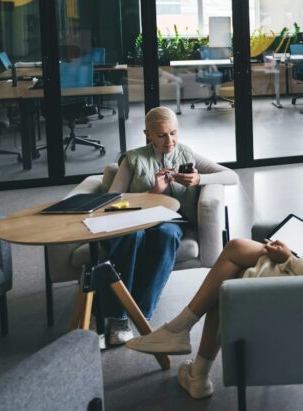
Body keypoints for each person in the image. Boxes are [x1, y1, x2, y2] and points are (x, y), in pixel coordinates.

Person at [125, 143, 303, 399]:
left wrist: (286, 257)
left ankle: (187, 349)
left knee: (231, 271)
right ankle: (189, 356)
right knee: (233, 260)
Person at [100, 106, 237, 346]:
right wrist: (152, 193)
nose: (169, 141)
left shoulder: (186, 154)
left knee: (167, 235)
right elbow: (112, 201)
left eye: (173, 133)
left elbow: (231, 176)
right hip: (136, 219)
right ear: (148, 134)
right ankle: (117, 319)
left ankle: (143, 314)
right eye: (162, 135)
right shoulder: (133, 158)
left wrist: (199, 179)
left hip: (171, 221)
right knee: (132, 238)